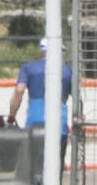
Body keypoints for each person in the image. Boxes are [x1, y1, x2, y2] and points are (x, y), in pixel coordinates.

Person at [8, 37, 72, 175]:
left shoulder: (28, 68)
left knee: (33, 168)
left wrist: (12, 115)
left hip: (34, 125)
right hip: (59, 124)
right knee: (56, 169)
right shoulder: (67, 71)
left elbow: (19, 90)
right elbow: (78, 97)